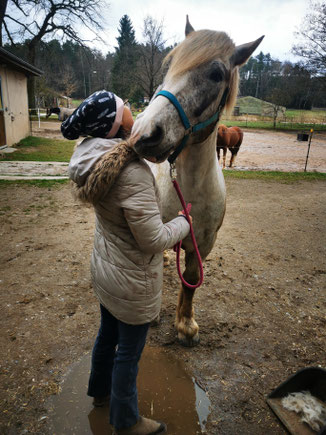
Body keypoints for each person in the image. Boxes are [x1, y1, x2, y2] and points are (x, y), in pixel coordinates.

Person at [62, 90, 192, 435]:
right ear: (117, 123)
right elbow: (152, 240)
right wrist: (183, 223)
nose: (135, 110)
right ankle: (127, 421)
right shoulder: (130, 172)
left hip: (107, 271)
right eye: (127, 107)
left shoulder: (90, 153)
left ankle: (100, 393)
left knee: (106, 336)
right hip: (131, 281)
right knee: (128, 354)